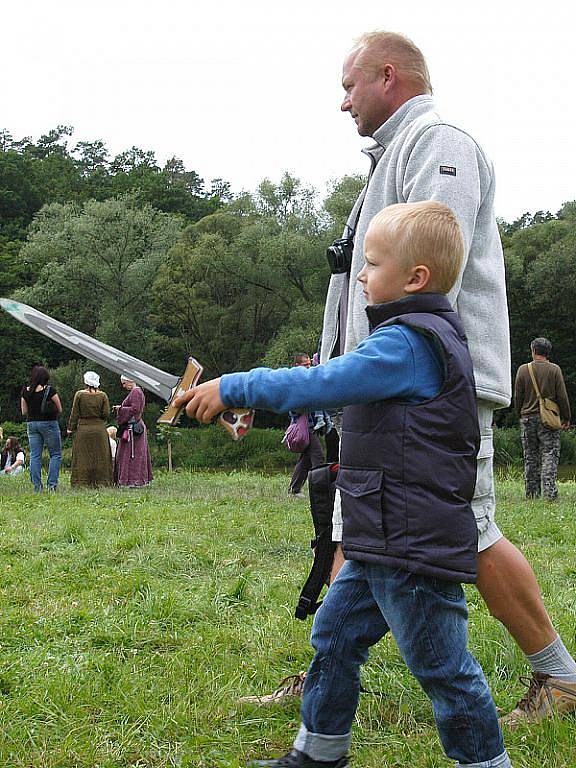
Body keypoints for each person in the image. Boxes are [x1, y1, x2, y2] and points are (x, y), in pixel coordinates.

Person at [262, 29, 576, 726]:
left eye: (350, 86)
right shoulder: (392, 158)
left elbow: (434, 262)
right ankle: (326, 676)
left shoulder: (441, 144)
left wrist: (385, 372)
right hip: (386, 389)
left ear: (389, 75)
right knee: (361, 528)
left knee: (469, 527)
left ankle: (560, 676)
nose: (341, 102)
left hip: (431, 393)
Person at [178, 202, 511, 768]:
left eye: (372, 263)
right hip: (380, 536)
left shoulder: (406, 343)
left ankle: (485, 763)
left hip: (410, 547)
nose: (360, 274)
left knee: (444, 668)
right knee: (333, 637)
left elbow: (324, 382)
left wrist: (236, 387)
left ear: (414, 279)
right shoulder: (411, 341)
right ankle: (319, 753)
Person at [514, 338, 571, 501]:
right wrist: (566, 417)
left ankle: (532, 495)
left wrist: (520, 413)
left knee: (530, 457)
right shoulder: (554, 370)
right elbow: (562, 396)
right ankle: (549, 495)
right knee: (549, 455)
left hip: (527, 418)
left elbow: (518, 396)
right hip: (549, 419)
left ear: (533, 350)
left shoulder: (523, 370)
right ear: (548, 353)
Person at [287, 354, 326, 498]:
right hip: (304, 426)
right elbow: (292, 407)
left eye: (309, 364)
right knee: (318, 457)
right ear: (297, 365)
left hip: (312, 424)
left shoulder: (308, 379)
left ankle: (294, 489)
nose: (309, 367)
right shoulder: (293, 382)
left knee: (306, 459)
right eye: (305, 365)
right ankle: (320, 491)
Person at [67, 371, 114, 487]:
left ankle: (81, 482)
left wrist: (70, 428)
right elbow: (106, 413)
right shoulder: (103, 396)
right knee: (101, 456)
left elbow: (75, 413)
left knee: (82, 456)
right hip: (99, 430)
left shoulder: (79, 395)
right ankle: (102, 482)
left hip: (83, 429)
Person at [20, 365, 62, 492]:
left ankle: (37, 486)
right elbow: (59, 408)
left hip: (32, 424)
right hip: (49, 423)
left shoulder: (25, 391)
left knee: (35, 455)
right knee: (55, 454)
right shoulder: (50, 391)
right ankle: (52, 485)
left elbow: (24, 411)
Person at [113, 375, 153, 487]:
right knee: (133, 453)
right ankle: (133, 480)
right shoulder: (137, 392)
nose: (123, 386)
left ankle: (132, 480)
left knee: (132, 454)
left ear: (130, 381)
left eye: (124, 383)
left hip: (133, 428)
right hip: (134, 426)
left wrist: (120, 409)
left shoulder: (136, 392)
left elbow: (135, 409)